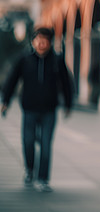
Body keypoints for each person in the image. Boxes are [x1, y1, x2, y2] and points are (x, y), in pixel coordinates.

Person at [1, 27, 73, 192]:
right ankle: (29, 170)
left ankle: (43, 179)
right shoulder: (24, 59)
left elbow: (66, 83)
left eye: (45, 40)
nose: (41, 43)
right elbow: (12, 79)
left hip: (49, 110)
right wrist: (5, 101)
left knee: (46, 144)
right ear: (33, 41)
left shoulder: (57, 60)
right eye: (38, 39)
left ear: (49, 42)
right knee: (28, 141)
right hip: (29, 109)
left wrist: (68, 104)